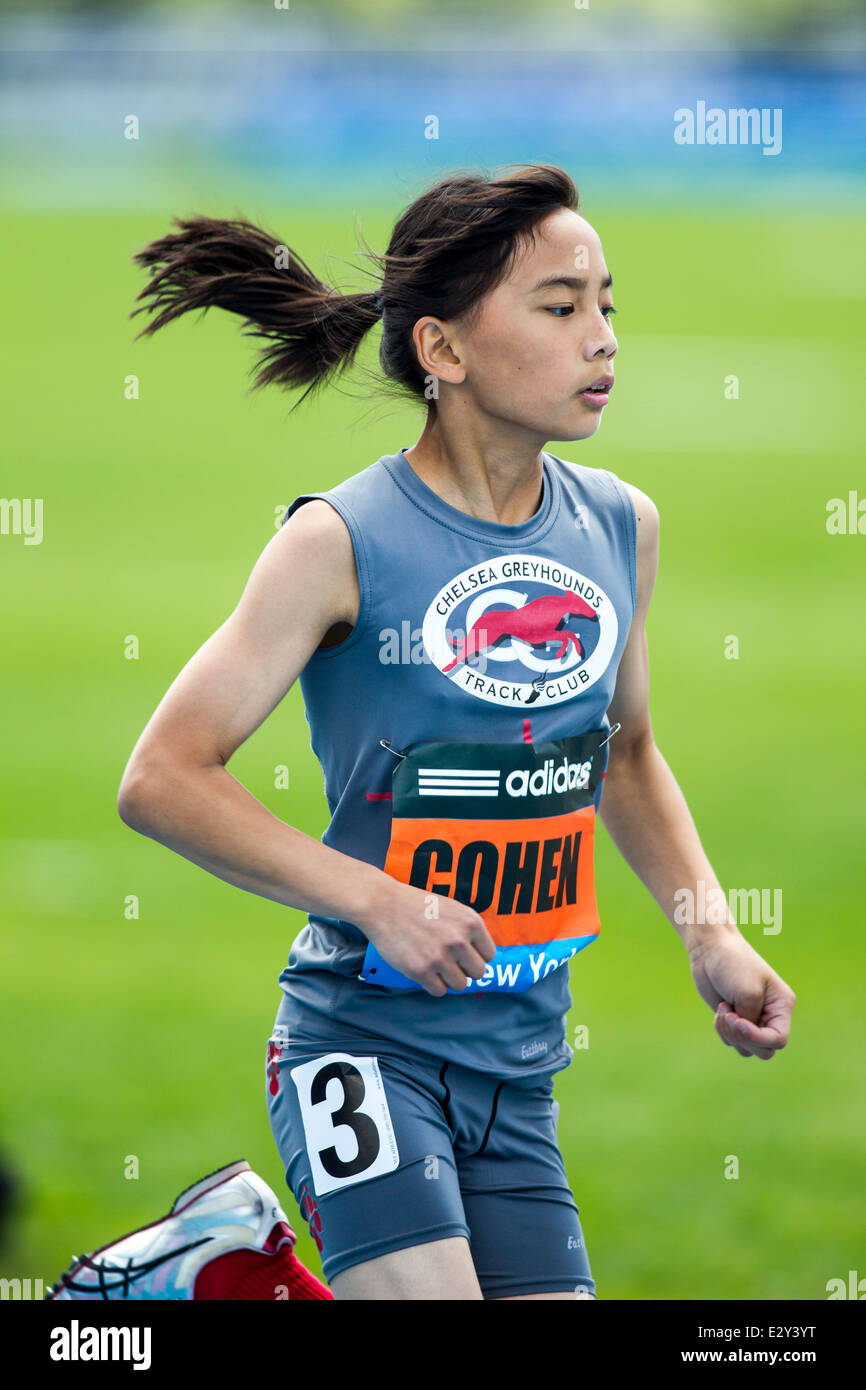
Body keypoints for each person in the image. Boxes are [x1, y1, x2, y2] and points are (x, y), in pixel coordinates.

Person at [52, 164, 796, 1302]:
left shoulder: (619, 526)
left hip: (518, 1072)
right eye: (558, 307)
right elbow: (162, 776)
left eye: (606, 303)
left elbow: (626, 751)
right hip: (360, 1046)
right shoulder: (337, 540)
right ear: (443, 352)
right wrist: (376, 900)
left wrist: (709, 934)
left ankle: (218, 1281)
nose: (600, 338)